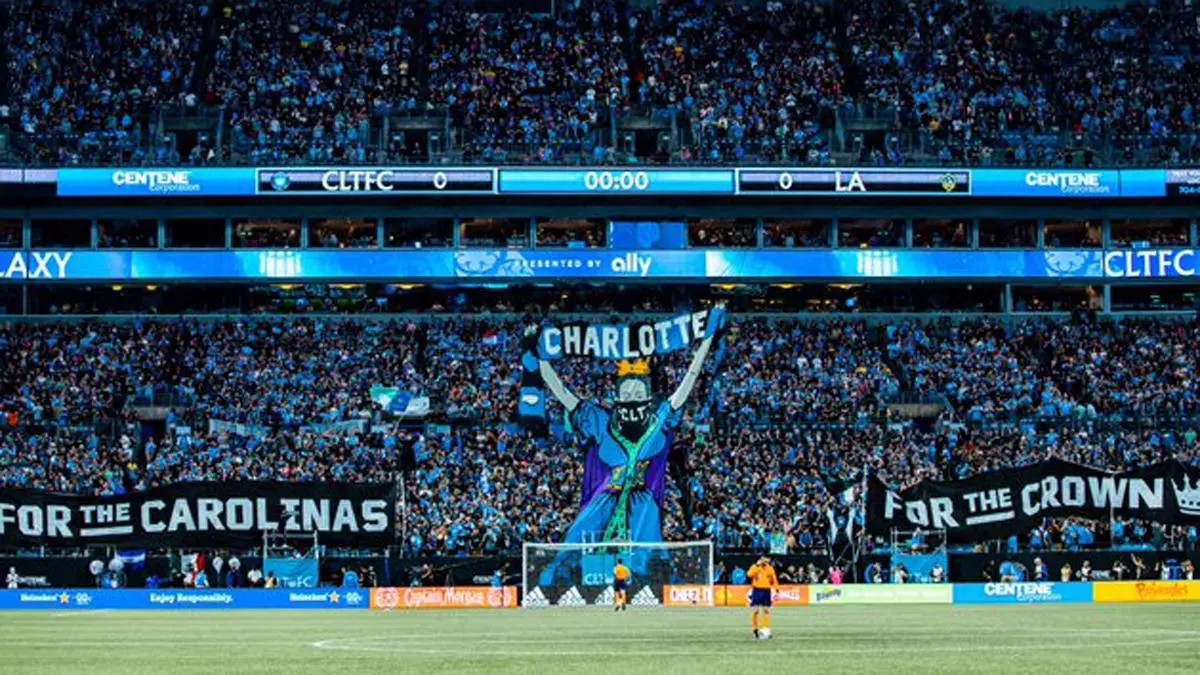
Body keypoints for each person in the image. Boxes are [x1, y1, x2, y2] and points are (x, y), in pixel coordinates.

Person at [747, 556, 777, 640]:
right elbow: (749, 574)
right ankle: (755, 629)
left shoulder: (770, 568)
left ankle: (765, 629)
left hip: (766, 591)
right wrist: (757, 566)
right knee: (755, 611)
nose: (765, 561)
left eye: (766, 560)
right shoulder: (755, 567)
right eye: (763, 560)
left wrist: (777, 589)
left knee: (766, 610)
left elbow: (773, 579)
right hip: (757, 590)